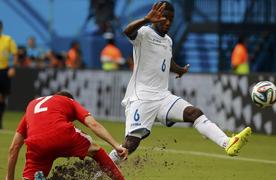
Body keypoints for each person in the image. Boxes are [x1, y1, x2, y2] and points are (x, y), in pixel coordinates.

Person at [108, 1, 252, 166]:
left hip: (162, 96)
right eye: (164, 18)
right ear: (156, 17)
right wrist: (145, 19)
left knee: (194, 113)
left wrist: (179, 70)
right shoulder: (144, 33)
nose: (168, 22)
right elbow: (127, 31)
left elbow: (167, 61)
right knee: (130, 145)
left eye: (171, 19)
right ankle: (98, 175)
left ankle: (228, 143)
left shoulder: (168, 40)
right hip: (142, 97)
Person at [0, 91, 141, 180]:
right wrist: (116, 145)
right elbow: (93, 124)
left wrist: (9, 178)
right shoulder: (69, 101)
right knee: (96, 150)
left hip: (36, 143)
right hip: (62, 134)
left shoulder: (32, 105)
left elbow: (14, 147)